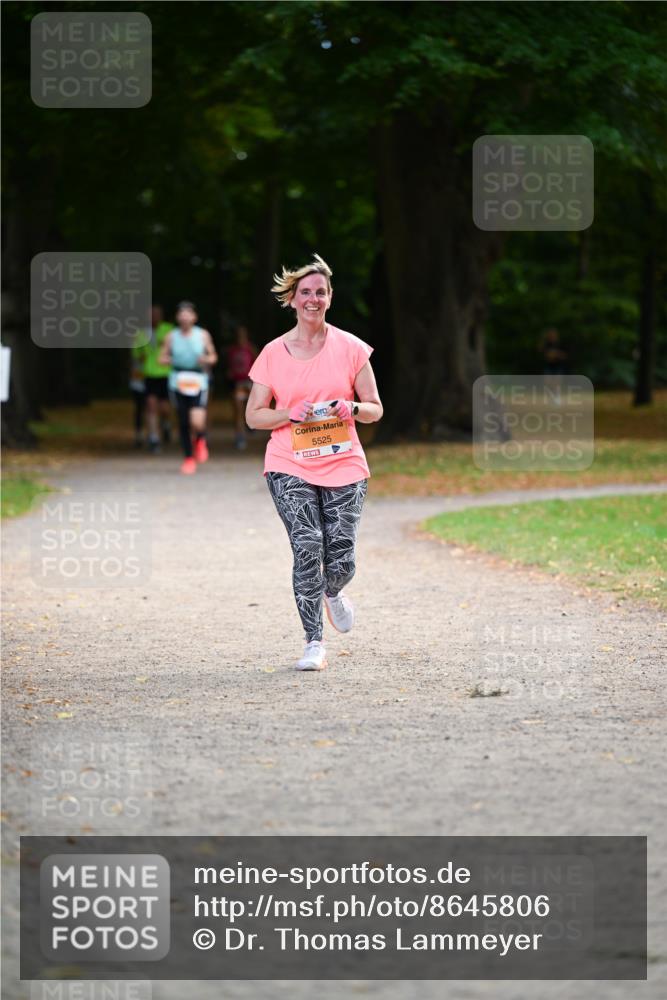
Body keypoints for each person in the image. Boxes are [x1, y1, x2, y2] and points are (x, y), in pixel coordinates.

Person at [246, 254, 383, 671]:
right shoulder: (272, 353)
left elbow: (375, 408)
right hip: (289, 460)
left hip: (343, 462)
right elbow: (254, 416)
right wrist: (289, 413)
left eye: (320, 292)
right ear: (292, 300)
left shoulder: (352, 348)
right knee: (307, 545)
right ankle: (313, 643)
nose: (312, 299)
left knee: (340, 555)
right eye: (304, 292)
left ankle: (334, 591)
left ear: (329, 298)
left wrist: (352, 407)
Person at [159, 301, 218, 475]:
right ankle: (188, 459)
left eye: (188, 314)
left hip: (198, 379)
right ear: (177, 318)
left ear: (194, 317)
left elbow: (213, 356)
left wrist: (206, 360)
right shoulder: (171, 336)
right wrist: (167, 360)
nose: (185, 317)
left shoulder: (202, 335)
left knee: (197, 420)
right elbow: (161, 357)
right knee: (183, 421)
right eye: (181, 314)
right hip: (178, 379)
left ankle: (200, 439)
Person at [140, 304, 175, 453]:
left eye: (156, 314)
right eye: (151, 314)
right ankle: (154, 437)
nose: (154, 317)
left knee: (165, 408)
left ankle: (166, 424)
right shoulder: (141, 333)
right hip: (149, 374)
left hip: (166, 374)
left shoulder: (169, 330)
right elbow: (138, 355)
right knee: (151, 404)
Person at [227, 323, 257, 450]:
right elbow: (229, 367)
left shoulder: (251, 349)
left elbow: (259, 364)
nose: (240, 337)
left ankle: (249, 424)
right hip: (238, 384)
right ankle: (240, 436)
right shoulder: (232, 350)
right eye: (238, 335)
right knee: (238, 409)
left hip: (249, 383)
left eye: (243, 335)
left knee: (248, 409)